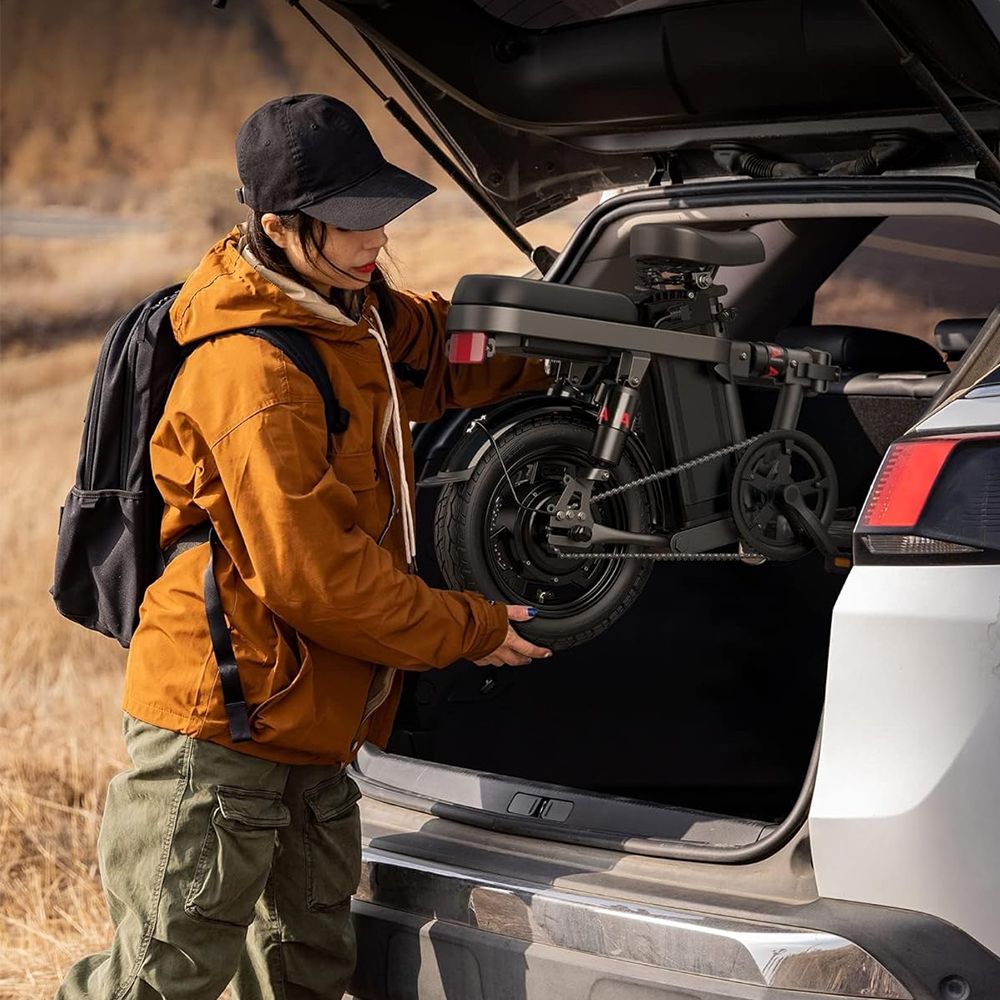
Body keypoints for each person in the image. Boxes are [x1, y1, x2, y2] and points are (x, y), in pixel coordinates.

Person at [57, 93, 554, 1000]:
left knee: (306, 971)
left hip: (312, 723)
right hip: (220, 726)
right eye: (352, 221)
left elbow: (439, 357)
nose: (376, 240)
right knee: (166, 976)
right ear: (281, 226)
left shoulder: (350, 311)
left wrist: (570, 347)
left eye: (382, 215)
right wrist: (470, 626)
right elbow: (318, 577)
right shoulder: (255, 373)